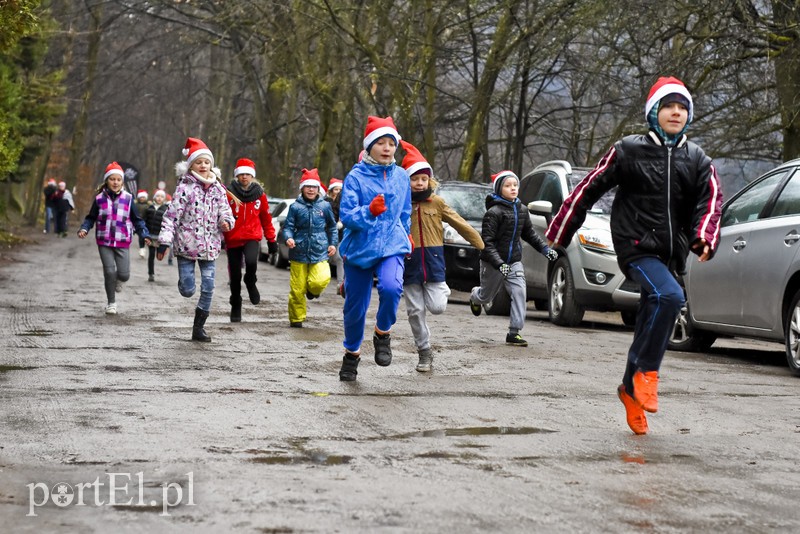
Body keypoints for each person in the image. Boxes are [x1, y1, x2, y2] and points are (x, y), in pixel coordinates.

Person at [545, 76, 723, 435]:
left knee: (648, 318)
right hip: (636, 245)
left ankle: (628, 389)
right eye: (669, 106)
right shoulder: (628, 150)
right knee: (670, 296)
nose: (676, 112)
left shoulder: (698, 158)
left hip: (672, 253)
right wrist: (560, 233)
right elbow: (588, 188)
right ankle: (647, 373)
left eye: (682, 107)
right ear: (654, 113)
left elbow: (712, 199)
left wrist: (704, 236)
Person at [337, 116, 412, 381]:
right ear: (369, 146)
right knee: (355, 310)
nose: (387, 147)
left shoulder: (402, 177)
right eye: (380, 142)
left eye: (391, 143)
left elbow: (404, 213)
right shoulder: (355, 177)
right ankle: (352, 354)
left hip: (392, 242)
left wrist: (407, 234)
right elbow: (346, 216)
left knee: (391, 288)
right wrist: (368, 211)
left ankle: (382, 333)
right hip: (360, 246)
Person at [400, 140, 485, 372]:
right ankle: (424, 351)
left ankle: (443, 289)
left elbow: (458, 222)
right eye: (414, 179)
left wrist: (480, 244)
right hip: (409, 263)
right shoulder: (401, 202)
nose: (419, 183)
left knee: (437, 307)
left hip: (434, 262)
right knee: (415, 312)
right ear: (406, 180)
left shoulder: (436, 202)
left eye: (423, 179)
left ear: (429, 180)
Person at [157, 137, 235, 342]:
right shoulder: (185, 188)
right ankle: (184, 283)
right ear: (191, 165)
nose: (203, 166)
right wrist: (164, 241)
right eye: (198, 162)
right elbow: (171, 216)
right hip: (186, 246)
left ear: (211, 164)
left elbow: (226, 212)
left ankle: (199, 328)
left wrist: (226, 222)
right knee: (188, 290)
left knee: (209, 286)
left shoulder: (218, 189)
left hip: (210, 247)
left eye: (206, 162)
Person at [468, 170, 559, 346]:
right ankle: (475, 296)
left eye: (515, 185)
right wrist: (499, 263)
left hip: (514, 261)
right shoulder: (493, 213)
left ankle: (514, 332)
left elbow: (530, 234)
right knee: (487, 296)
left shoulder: (522, 210)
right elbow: (487, 242)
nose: (513, 188)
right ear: (499, 189)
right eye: (508, 186)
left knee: (519, 293)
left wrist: (545, 250)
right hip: (493, 262)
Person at [77, 162, 151, 315]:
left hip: (122, 240)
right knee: (109, 272)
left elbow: (137, 220)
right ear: (107, 181)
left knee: (124, 275)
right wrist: (85, 228)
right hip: (103, 241)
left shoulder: (129, 199)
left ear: (122, 181)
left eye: (118, 179)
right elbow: (91, 218)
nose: (115, 182)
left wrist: (144, 233)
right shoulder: (99, 199)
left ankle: (118, 281)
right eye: (112, 179)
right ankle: (111, 303)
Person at [223, 158, 277, 322]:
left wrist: (271, 240)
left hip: (252, 237)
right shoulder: (228, 193)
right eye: (241, 174)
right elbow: (220, 214)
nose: (244, 177)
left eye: (247, 174)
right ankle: (236, 304)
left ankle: (251, 280)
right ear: (236, 176)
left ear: (252, 176)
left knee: (252, 262)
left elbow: (266, 219)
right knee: (234, 275)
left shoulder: (260, 195)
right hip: (233, 238)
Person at [283, 168, 338, 327]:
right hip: (298, 250)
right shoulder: (295, 207)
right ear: (302, 188)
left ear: (318, 189)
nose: (311, 189)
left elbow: (332, 227)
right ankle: (296, 318)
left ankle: (313, 291)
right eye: (308, 186)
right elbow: (288, 227)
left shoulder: (325, 206)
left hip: (320, 249)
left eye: (314, 187)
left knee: (321, 279)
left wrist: (333, 243)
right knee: (297, 289)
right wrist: (289, 238)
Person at [144, 189, 168, 282]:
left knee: (159, 256)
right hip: (151, 235)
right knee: (151, 255)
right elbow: (144, 220)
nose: (159, 198)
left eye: (162, 197)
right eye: (158, 196)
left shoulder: (166, 209)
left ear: (164, 199)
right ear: (154, 197)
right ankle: (151, 273)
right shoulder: (149, 208)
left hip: (160, 236)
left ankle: (163, 252)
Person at [325, 177, 344, 285]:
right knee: (326, 258)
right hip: (327, 234)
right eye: (336, 189)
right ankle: (323, 278)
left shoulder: (343, 202)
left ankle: (340, 283)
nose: (337, 192)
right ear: (331, 190)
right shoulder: (326, 202)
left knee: (339, 258)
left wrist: (341, 224)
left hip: (340, 234)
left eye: (339, 190)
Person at [134, 190, 151, 258]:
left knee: (143, 236)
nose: (142, 199)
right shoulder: (135, 205)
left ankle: (142, 248)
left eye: (143, 197)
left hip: (145, 222)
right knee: (141, 236)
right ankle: (142, 248)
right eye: (141, 197)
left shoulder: (148, 205)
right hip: (137, 222)